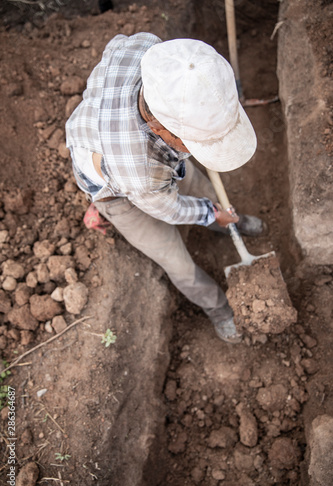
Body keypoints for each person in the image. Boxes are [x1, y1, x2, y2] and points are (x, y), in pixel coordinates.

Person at [66, 32, 263, 344]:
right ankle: (219, 308)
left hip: (117, 144)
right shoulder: (142, 172)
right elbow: (171, 210)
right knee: (175, 260)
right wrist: (207, 214)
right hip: (117, 190)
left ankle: (227, 225)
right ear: (160, 128)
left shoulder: (151, 51)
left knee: (201, 187)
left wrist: (211, 211)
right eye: (193, 142)